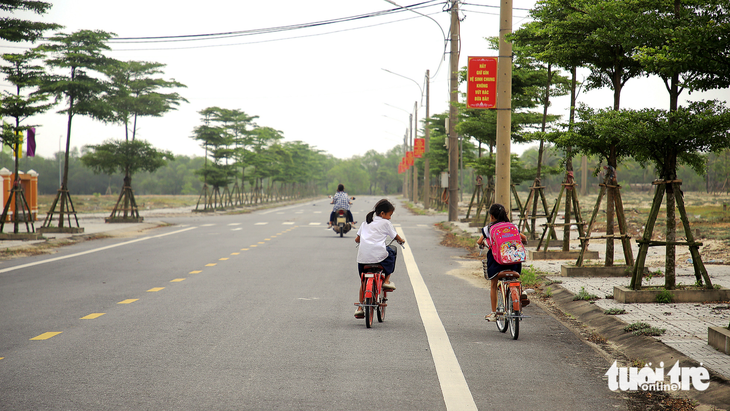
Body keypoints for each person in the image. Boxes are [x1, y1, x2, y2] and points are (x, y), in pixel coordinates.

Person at [353, 199, 405, 318]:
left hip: (363, 260)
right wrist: (401, 241)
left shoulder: (365, 223)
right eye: (389, 215)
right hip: (379, 257)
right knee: (392, 251)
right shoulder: (386, 223)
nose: (390, 218)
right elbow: (395, 236)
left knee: (363, 282)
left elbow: (357, 239)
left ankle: (360, 307)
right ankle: (386, 281)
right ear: (382, 214)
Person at [477, 203, 528, 322]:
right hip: (514, 262)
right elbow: (524, 238)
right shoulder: (513, 226)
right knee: (515, 278)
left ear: (492, 216)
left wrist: (484, 244)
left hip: (497, 263)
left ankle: (494, 313)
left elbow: (480, 241)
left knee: (493, 285)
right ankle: (521, 292)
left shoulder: (488, 228)